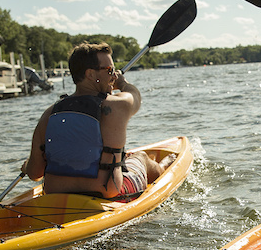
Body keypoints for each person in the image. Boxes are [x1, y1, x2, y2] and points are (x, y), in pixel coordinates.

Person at [22, 42, 172, 198]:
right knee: (141, 157)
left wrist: (27, 166)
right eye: (109, 70)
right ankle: (163, 168)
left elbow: (35, 173)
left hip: (56, 194)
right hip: (106, 193)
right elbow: (135, 96)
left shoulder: (49, 114)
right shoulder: (115, 106)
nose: (113, 75)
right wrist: (122, 82)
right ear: (90, 75)